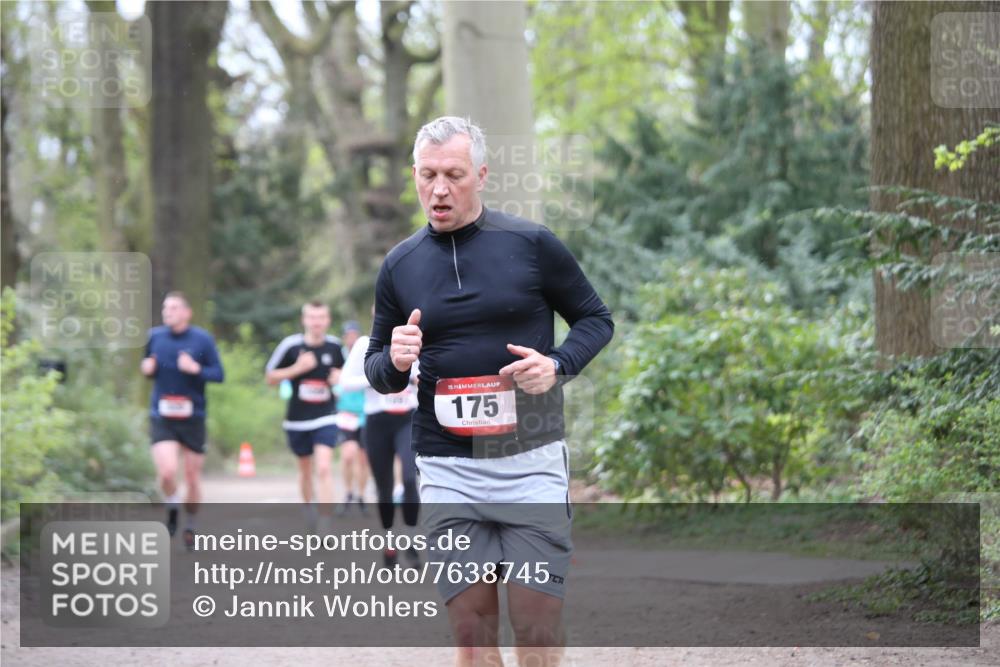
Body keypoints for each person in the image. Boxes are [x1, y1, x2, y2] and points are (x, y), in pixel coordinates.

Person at [364, 116, 613, 666]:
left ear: (481, 174)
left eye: (453, 174)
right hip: (447, 467)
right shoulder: (400, 265)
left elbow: (595, 319)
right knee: (472, 635)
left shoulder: (531, 244)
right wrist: (396, 360)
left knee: (536, 632)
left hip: (530, 462)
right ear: (414, 176)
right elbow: (377, 368)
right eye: (427, 175)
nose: (439, 188)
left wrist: (558, 363)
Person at [141, 291, 225, 550]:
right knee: (166, 472)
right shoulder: (154, 337)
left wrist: (196, 369)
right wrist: (147, 369)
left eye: (175, 307)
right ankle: (172, 505)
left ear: (187, 312)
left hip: (193, 416)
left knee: (191, 475)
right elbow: (147, 365)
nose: (169, 312)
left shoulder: (202, 339)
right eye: (166, 307)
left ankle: (191, 521)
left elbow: (219, 374)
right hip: (162, 415)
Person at [341, 328, 420, 569]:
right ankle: (389, 542)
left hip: (407, 418)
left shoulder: (416, 338)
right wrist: (382, 375)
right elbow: (346, 382)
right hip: (377, 422)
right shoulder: (366, 343)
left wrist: (416, 378)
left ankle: (410, 539)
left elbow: (427, 374)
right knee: (384, 488)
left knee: (409, 478)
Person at [265, 301, 345, 531]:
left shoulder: (335, 347)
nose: (316, 322)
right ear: (304, 320)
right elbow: (269, 378)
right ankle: (308, 508)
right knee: (305, 470)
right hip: (297, 419)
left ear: (327, 320)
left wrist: (340, 379)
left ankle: (325, 522)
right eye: (312, 317)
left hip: (326, 416)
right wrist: (297, 369)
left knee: (323, 467)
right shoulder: (290, 346)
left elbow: (348, 376)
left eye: (321, 317)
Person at [334, 320, 370, 515]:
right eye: (348, 335)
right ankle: (348, 493)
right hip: (346, 412)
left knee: (363, 459)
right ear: (344, 337)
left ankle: (362, 496)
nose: (352, 338)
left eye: (355, 335)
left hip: (365, 412)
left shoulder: (367, 353)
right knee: (348, 455)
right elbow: (330, 378)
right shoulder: (338, 356)